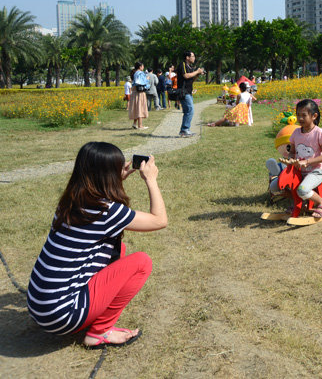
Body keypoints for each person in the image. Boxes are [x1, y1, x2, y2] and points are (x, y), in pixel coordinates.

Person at [26, 142, 167, 348]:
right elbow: (159, 220)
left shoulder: (69, 202)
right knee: (141, 263)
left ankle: (91, 317)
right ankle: (100, 332)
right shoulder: (106, 212)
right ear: (108, 175)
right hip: (63, 316)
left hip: (38, 307)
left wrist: (115, 178)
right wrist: (151, 180)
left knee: (119, 252)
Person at [287, 99, 322, 217]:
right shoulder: (296, 132)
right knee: (282, 185)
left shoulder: (319, 132)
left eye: (304, 115)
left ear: (314, 116)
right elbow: (291, 152)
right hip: (299, 171)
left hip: (315, 172)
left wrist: (306, 161)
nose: (300, 118)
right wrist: (291, 159)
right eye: (298, 115)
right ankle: (298, 203)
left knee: (302, 190)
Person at [176, 51, 205, 138]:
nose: (194, 58)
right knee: (190, 110)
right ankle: (185, 130)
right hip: (184, 92)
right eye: (193, 56)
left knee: (187, 111)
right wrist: (196, 71)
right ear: (187, 57)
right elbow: (186, 76)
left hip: (188, 91)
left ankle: (184, 130)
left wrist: (198, 74)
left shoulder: (190, 67)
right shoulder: (183, 64)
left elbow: (191, 80)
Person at [129, 62, 149, 130]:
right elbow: (143, 82)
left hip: (135, 92)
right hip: (140, 92)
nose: (143, 67)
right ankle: (140, 125)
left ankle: (135, 123)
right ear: (140, 67)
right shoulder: (140, 73)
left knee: (137, 108)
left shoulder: (135, 73)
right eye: (143, 66)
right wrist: (147, 80)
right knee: (140, 108)